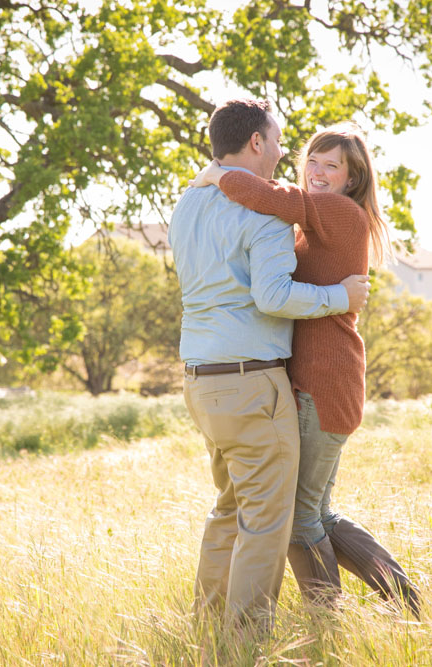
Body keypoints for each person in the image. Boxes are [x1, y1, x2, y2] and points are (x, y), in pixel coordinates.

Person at [190, 122, 421, 616]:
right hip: (319, 380)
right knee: (313, 511)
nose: (317, 171)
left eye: (331, 165)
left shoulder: (337, 211)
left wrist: (218, 173)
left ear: (351, 178)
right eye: (312, 161)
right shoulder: (319, 218)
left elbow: (265, 194)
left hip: (325, 382)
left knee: (300, 517)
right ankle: (401, 598)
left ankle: (327, 616)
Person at [168, 99, 371, 634]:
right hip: (251, 382)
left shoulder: (188, 202)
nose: (285, 153)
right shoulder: (267, 210)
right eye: (279, 142)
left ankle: (209, 625)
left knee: (229, 510)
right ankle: (247, 638)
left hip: (198, 379)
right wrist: (340, 296)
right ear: (256, 142)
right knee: (266, 523)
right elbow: (273, 296)